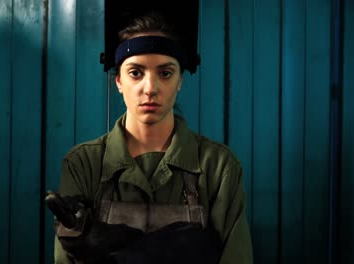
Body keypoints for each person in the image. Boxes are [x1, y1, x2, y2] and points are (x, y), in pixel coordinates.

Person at [48, 11, 253, 264]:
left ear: (180, 80)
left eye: (165, 73)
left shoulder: (219, 167)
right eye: (136, 73)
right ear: (119, 80)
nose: (150, 88)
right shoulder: (83, 164)